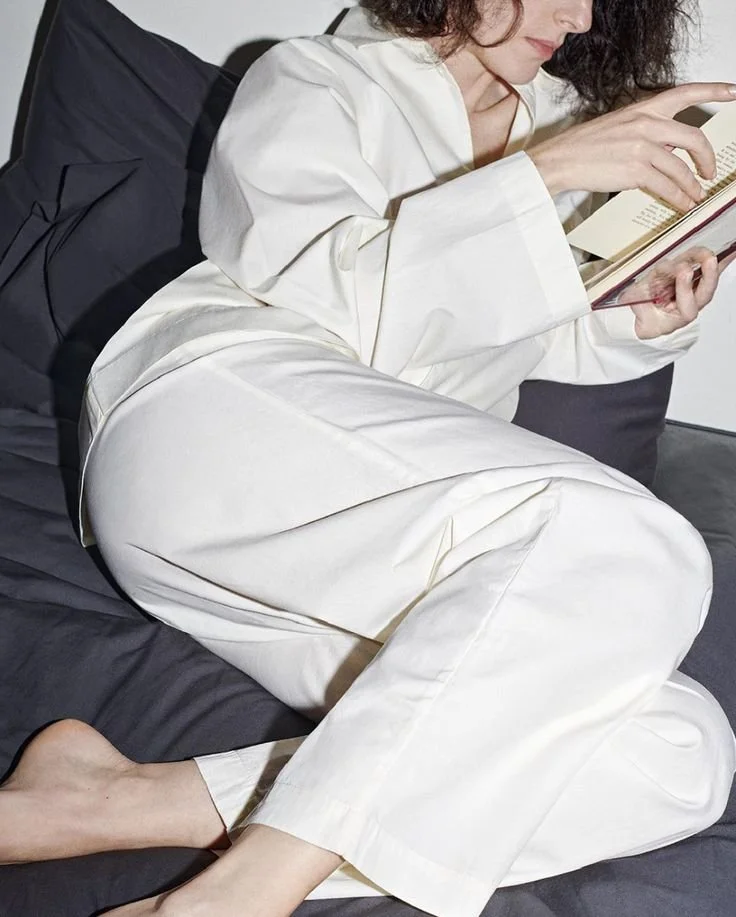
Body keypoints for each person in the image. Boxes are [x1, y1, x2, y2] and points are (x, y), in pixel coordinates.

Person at [3, 1, 736, 915]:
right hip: (208, 425)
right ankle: (231, 898)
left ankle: (117, 797)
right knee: (624, 538)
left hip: (350, 534)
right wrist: (538, 178)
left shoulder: (562, 125)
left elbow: (518, 334)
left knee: (681, 753)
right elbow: (325, 295)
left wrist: (637, 318)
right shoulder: (319, 79)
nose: (581, 15)